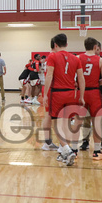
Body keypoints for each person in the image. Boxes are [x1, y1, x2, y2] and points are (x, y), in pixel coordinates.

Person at [43, 33, 84, 166]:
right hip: (72, 93)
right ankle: (64, 150)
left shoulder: (52, 56)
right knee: (66, 123)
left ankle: (66, 150)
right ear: (66, 44)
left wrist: (45, 94)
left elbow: (49, 75)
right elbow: (81, 78)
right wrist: (81, 95)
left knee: (56, 123)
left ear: (55, 44)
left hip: (57, 94)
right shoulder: (75, 58)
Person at [72, 38, 102, 160]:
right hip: (94, 92)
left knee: (77, 121)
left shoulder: (77, 58)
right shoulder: (101, 60)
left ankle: (73, 150)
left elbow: (73, 76)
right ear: (95, 47)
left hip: (81, 92)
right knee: (96, 122)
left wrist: (77, 83)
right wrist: (96, 82)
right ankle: (97, 151)